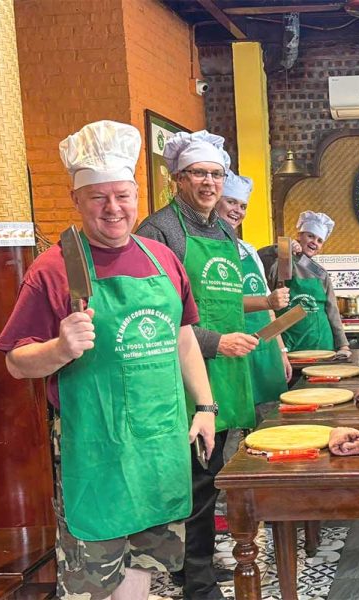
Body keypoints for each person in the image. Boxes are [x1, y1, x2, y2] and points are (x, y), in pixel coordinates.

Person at [0, 120, 216, 600]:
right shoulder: (54, 268)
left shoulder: (162, 259)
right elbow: (15, 362)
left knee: (145, 563)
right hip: (96, 448)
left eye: (122, 195)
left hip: (158, 442)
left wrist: (204, 406)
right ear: (77, 200)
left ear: (137, 196)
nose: (113, 208)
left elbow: (182, 337)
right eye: (98, 198)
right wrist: (59, 349)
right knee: (93, 577)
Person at [136, 130, 258, 599]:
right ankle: (196, 580)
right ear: (177, 180)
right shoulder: (159, 231)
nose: (209, 183)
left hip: (223, 372)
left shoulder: (224, 231)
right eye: (198, 174)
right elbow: (156, 316)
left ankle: (195, 568)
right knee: (193, 482)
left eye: (216, 174)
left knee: (209, 479)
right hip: (181, 376)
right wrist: (216, 341)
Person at [216, 171, 292, 422]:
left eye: (243, 206)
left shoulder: (248, 250)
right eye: (231, 202)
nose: (237, 210)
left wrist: (281, 351)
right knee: (236, 423)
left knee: (273, 421)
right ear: (216, 201)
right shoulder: (210, 250)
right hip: (233, 347)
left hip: (266, 349)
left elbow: (269, 309)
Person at [259, 211, 350, 356]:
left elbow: (332, 310)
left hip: (323, 345)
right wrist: (282, 248)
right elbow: (259, 259)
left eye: (319, 240)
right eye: (310, 236)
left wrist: (343, 345)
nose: (314, 242)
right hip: (289, 344)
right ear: (299, 236)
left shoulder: (320, 272)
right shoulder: (282, 262)